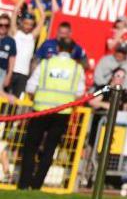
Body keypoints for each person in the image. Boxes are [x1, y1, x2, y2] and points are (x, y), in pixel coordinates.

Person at [19, 37, 85, 190]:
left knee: (30, 147)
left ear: (57, 48)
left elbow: (30, 87)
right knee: (49, 149)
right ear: (73, 51)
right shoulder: (76, 68)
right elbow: (80, 92)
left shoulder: (46, 63)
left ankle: (23, 184)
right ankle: (37, 185)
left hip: (40, 110)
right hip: (62, 113)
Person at [8, 0, 45, 97]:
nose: (28, 26)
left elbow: (42, 17)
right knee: (4, 97)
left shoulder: (32, 36)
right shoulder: (16, 33)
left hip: (23, 74)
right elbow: (15, 12)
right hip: (11, 71)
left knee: (16, 101)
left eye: (30, 24)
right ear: (22, 22)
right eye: (25, 23)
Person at [0, 14, 16, 92]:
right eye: (1, 25)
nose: (3, 27)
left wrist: (9, 76)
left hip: (2, 72)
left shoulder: (11, 41)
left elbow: (12, 60)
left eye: (6, 25)